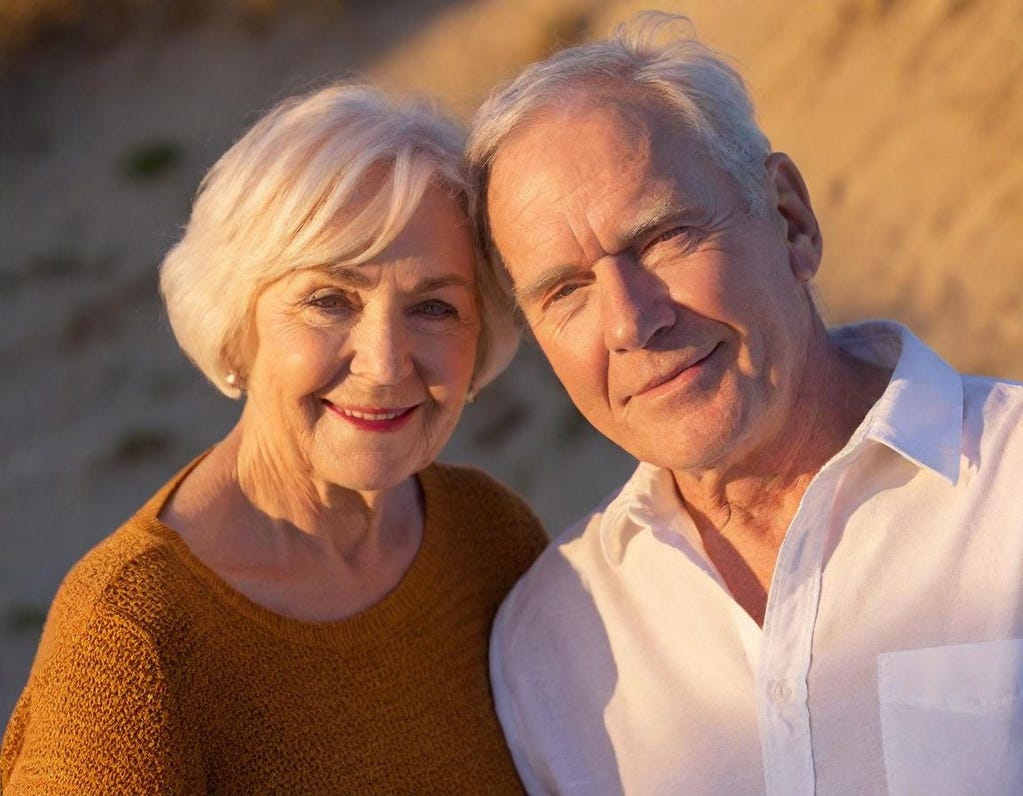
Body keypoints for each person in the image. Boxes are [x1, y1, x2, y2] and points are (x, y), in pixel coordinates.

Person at [467, 11, 1023, 795]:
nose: (629, 321)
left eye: (662, 236)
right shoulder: (547, 647)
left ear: (790, 220)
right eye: (566, 291)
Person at [1, 82, 548, 794]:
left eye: (435, 307)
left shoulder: (492, 539)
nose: (384, 363)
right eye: (329, 299)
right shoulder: (132, 636)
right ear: (236, 323)